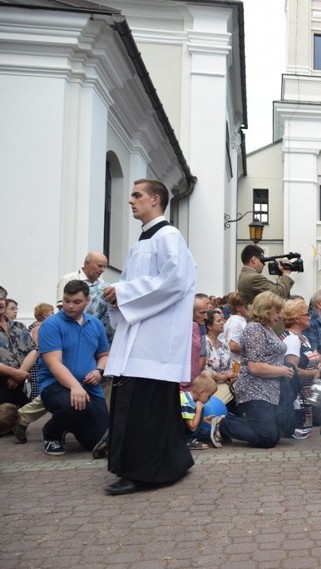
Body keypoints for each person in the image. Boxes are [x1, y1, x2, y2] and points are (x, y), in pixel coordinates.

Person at [101, 178, 197, 496]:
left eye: (137, 195)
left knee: (144, 409)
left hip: (154, 342)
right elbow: (136, 285)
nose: (130, 200)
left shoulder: (169, 237)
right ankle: (171, 461)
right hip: (137, 337)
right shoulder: (140, 242)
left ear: (155, 200)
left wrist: (124, 292)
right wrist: (116, 296)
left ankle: (144, 472)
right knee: (146, 407)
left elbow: (175, 281)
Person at [215, 291, 296, 448]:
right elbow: (254, 366)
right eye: (277, 311)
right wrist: (282, 370)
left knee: (274, 433)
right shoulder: (254, 329)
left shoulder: (267, 329)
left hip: (269, 391)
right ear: (266, 309)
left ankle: (231, 422)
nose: (279, 316)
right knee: (268, 438)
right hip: (254, 391)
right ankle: (222, 423)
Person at [38, 280, 110, 456]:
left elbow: (104, 355)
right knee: (74, 405)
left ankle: (69, 423)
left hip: (90, 387)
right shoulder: (51, 325)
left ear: (88, 301)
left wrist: (99, 371)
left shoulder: (95, 324)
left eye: (76, 302)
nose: (70, 306)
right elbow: (54, 363)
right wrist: (75, 386)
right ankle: (51, 433)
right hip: (54, 385)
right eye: (66, 300)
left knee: (98, 441)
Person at [281, 298, 321, 439]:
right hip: (298, 398)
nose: (309, 317)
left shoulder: (303, 337)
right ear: (296, 319)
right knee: (300, 433)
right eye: (306, 314)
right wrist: (315, 373)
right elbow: (292, 371)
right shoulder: (292, 339)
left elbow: (314, 357)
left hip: (306, 395)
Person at [0, 294, 37, 409]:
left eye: (1, 299)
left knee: (18, 418)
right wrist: (14, 373)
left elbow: (33, 351)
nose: (0, 302)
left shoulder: (18, 326)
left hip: (19, 382)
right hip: (2, 384)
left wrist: (20, 372)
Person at [203, 309, 237, 404]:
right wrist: (223, 377)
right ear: (209, 326)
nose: (223, 323)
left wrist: (233, 374)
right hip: (211, 391)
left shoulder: (224, 344)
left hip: (228, 388)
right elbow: (203, 370)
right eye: (218, 321)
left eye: (222, 320)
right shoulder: (204, 343)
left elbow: (230, 365)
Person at [180, 374, 221, 449]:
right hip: (179, 432)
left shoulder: (187, 397)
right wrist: (198, 410)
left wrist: (203, 419)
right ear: (201, 392)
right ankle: (189, 441)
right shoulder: (187, 403)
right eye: (209, 396)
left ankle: (218, 433)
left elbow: (187, 418)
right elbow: (192, 427)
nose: (209, 400)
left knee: (206, 433)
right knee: (201, 408)